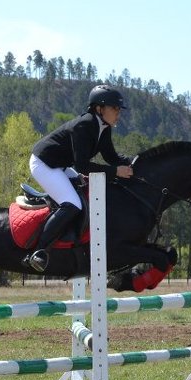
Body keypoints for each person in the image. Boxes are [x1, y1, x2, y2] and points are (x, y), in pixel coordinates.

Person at [23, 84, 136, 272]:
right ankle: (38, 252)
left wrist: (136, 161)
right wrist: (116, 172)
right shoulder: (84, 125)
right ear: (99, 109)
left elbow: (112, 158)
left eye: (119, 109)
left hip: (59, 165)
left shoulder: (104, 127)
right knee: (72, 203)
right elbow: (82, 166)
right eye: (114, 108)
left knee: (84, 194)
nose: (118, 113)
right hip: (43, 163)